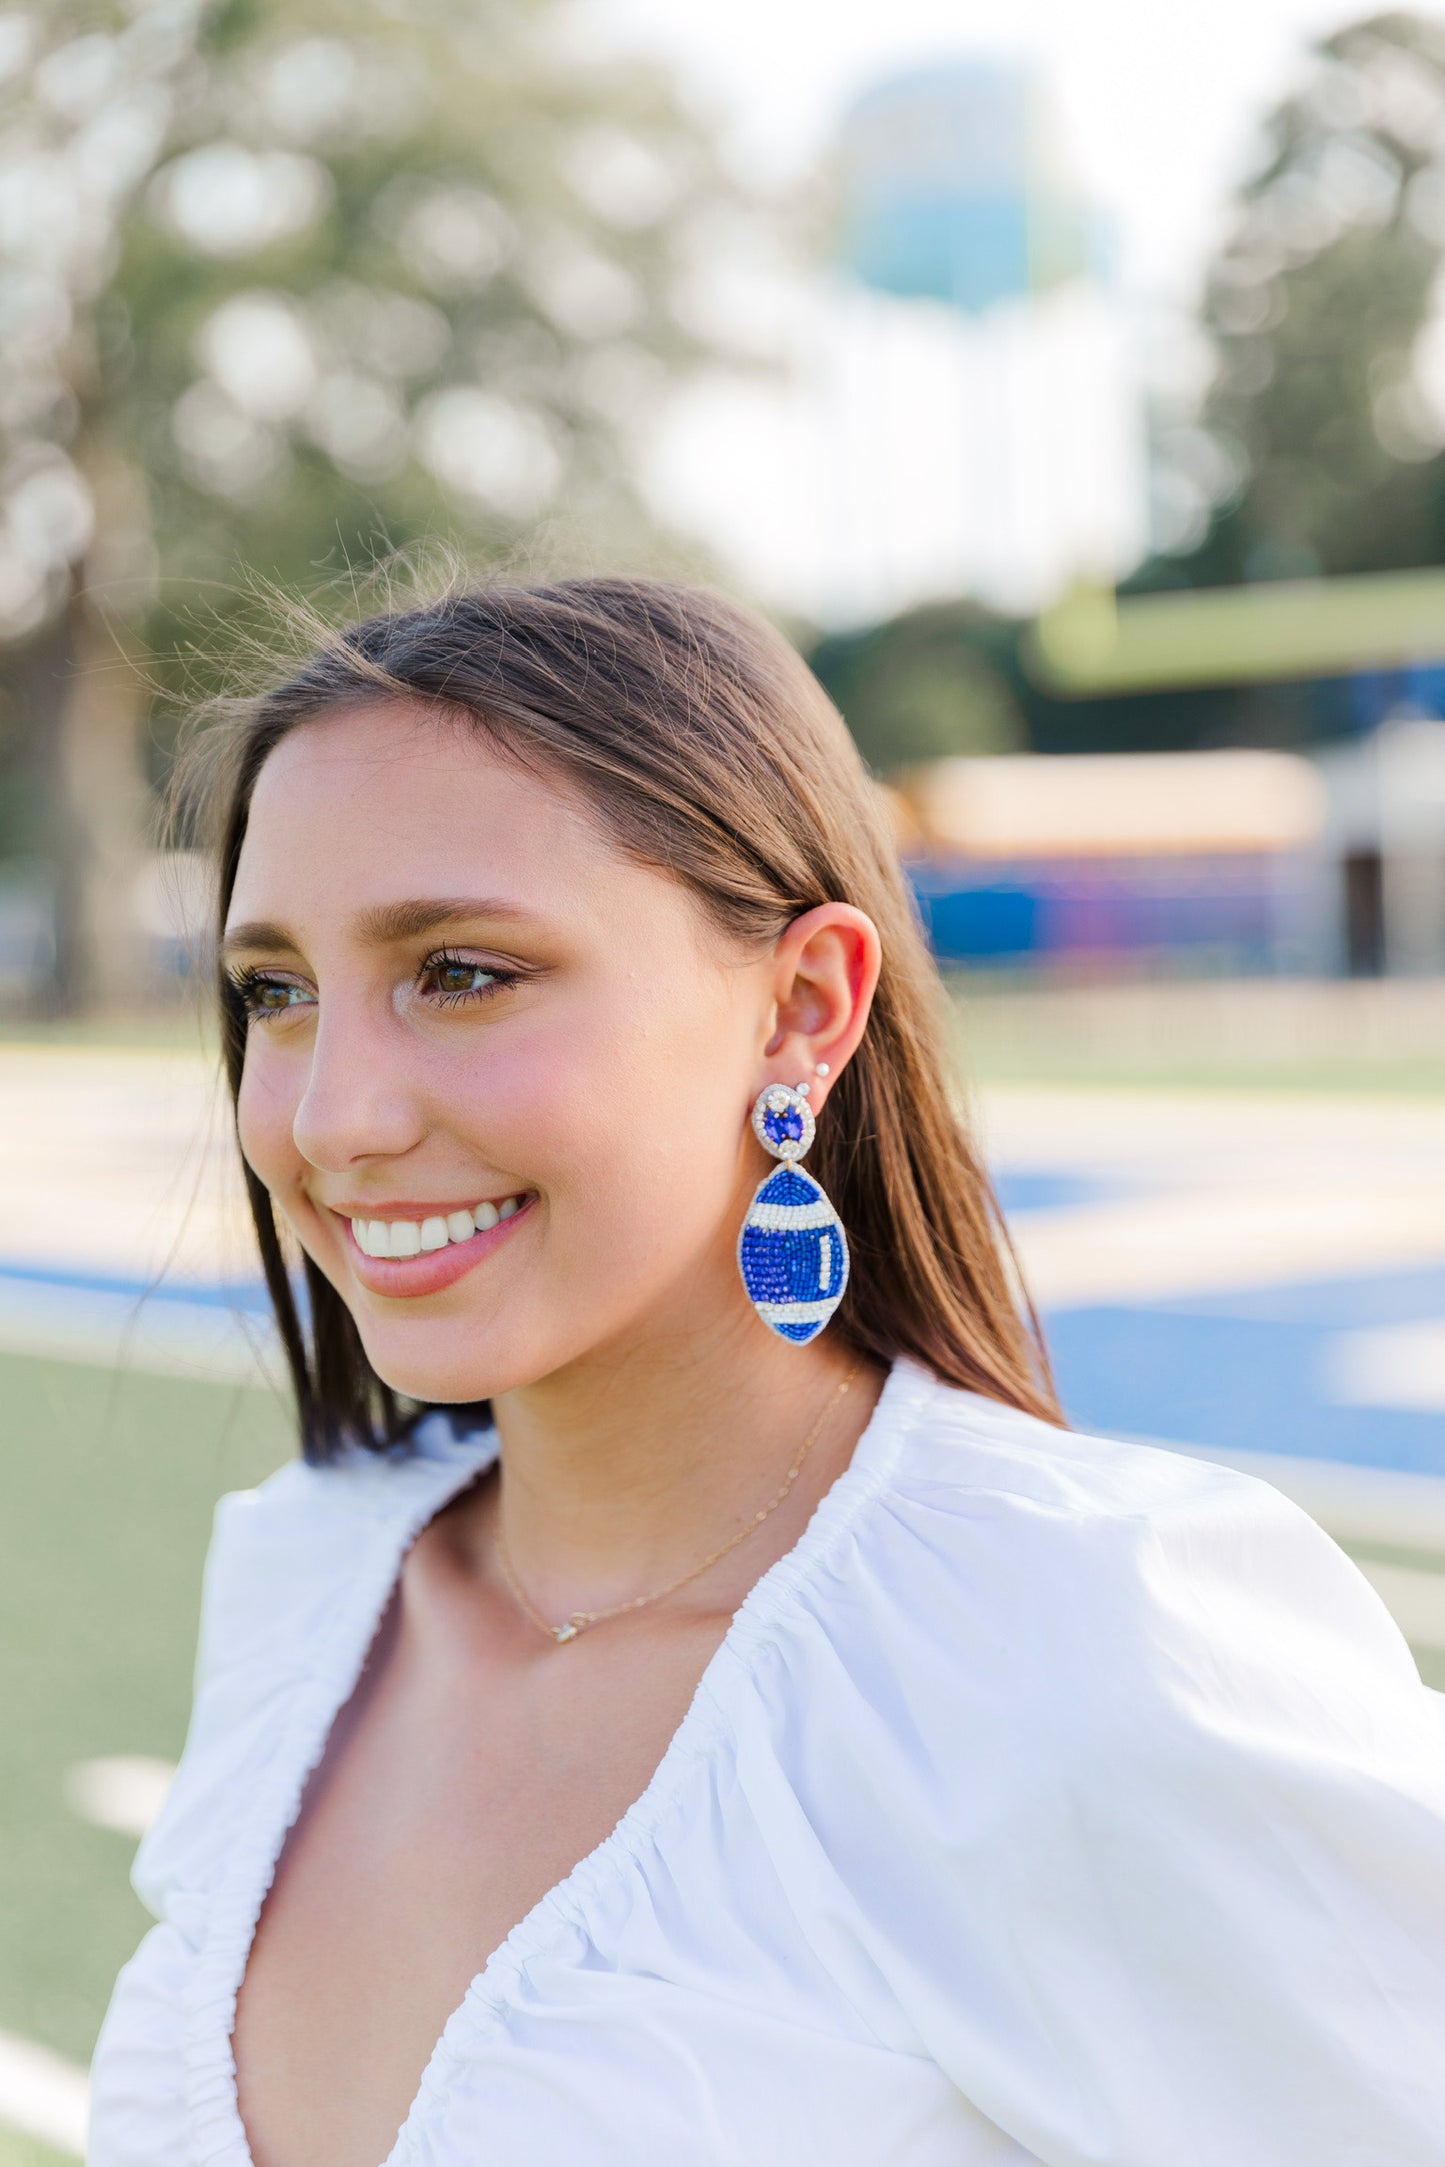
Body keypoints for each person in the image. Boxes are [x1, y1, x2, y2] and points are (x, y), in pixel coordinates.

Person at [89, 580, 1445, 2167]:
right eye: (276, 992)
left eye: (461, 971)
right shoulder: (304, 1572)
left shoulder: (1073, 1644)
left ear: (803, 1009)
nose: (331, 1119)